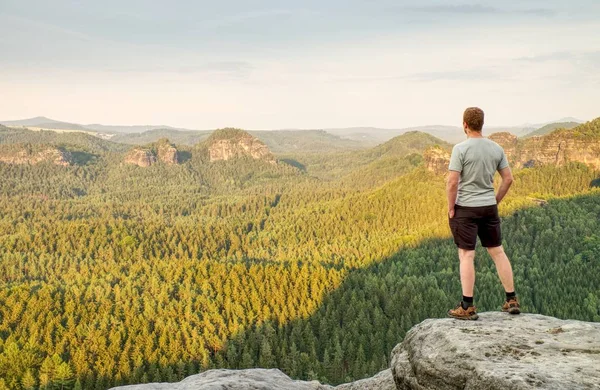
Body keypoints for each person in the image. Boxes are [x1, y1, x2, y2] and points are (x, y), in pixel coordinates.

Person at [446, 107, 520, 320]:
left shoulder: (460, 149)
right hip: (489, 207)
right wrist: (495, 200)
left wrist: (451, 207)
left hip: (466, 209)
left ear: (465, 125)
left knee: (467, 255)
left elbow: (452, 182)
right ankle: (511, 299)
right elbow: (508, 179)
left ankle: (467, 306)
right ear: (482, 124)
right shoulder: (496, 148)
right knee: (497, 251)